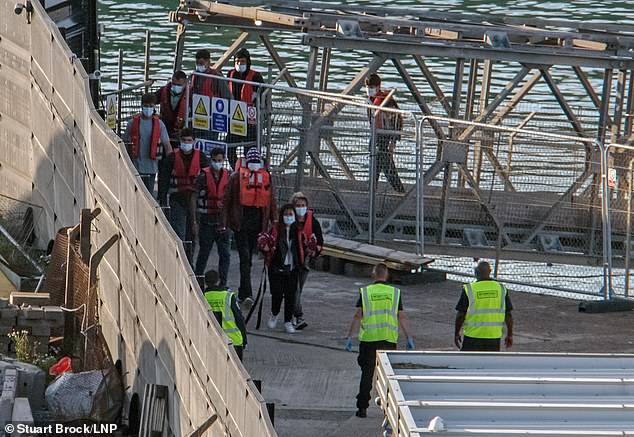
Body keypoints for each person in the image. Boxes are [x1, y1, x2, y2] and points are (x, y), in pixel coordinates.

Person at [345, 263, 414, 418]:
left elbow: (358, 315)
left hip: (369, 340)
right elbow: (401, 316)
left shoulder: (366, 292)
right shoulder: (395, 292)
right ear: (387, 275)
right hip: (388, 340)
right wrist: (409, 337)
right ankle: (388, 408)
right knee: (387, 376)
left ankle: (362, 408)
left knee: (367, 374)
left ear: (373, 275)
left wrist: (349, 336)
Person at [223, 147, 277, 306]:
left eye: (256, 162)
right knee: (244, 258)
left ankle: (243, 291)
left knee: (250, 259)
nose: (254, 165)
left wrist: (274, 222)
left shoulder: (267, 178)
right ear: (246, 162)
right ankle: (247, 293)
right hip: (240, 224)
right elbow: (227, 201)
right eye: (251, 161)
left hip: (258, 225)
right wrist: (224, 223)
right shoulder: (236, 178)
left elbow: (271, 201)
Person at [158, 128, 209, 261]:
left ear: (194, 141)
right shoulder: (172, 158)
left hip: (195, 202)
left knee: (192, 233)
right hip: (177, 199)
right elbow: (163, 180)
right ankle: (178, 259)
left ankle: (189, 259)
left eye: (189, 140)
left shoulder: (202, 158)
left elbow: (208, 180)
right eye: (184, 140)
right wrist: (162, 200)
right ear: (180, 142)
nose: (186, 143)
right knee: (179, 231)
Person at [261, 204, 304, 334]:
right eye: (286, 214)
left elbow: (302, 247)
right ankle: (274, 314)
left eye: (291, 214)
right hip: (277, 267)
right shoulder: (275, 230)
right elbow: (264, 243)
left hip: (292, 268)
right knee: (277, 294)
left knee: (291, 296)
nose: (288, 217)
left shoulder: (298, 231)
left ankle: (288, 322)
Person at [454, 260, 514, 351]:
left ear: (476, 272)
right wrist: (509, 334)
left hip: (473, 336)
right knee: (490, 363)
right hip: (494, 337)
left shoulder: (470, 289)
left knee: (468, 363)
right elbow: (508, 314)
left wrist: (456, 333)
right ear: (490, 272)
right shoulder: (501, 289)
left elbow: (460, 315)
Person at [194, 147, 231, 287]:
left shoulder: (228, 176)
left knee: (225, 254)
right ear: (211, 160)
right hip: (206, 221)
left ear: (223, 160)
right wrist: (195, 220)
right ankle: (198, 280)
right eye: (214, 160)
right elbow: (194, 196)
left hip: (223, 222)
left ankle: (223, 282)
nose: (217, 163)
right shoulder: (203, 176)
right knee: (204, 252)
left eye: (220, 160)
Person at [122, 93, 171, 196]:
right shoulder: (132, 123)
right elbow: (124, 142)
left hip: (151, 168)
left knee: (148, 195)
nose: (148, 108)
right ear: (141, 106)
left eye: (151, 106)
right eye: (146, 105)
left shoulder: (160, 125)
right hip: (135, 166)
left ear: (154, 107)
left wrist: (170, 164)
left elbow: (167, 145)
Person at [365, 73, 405, 193]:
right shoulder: (370, 101)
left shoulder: (387, 101)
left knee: (385, 164)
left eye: (372, 87)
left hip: (385, 135)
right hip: (376, 135)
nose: (369, 89)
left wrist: (395, 139)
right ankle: (372, 190)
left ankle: (398, 190)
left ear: (378, 86)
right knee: (377, 164)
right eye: (368, 87)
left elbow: (398, 119)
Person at [290, 192, 323, 330]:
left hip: (305, 260)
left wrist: (315, 250)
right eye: (298, 205)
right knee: (295, 288)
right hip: (291, 259)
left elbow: (320, 240)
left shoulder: (312, 221)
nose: (301, 208)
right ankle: (298, 316)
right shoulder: (288, 220)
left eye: (303, 205)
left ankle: (292, 313)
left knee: (298, 289)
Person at [226, 48, 264, 167]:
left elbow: (263, 97)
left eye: (242, 62)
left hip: (250, 120)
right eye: (237, 62)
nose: (239, 64)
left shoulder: (255, 77)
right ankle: (236, 169)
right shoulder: (230, 74)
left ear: (248, 62)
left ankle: (248, 170)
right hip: (234, 119)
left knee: (249, 149)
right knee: (230, 147)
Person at [203, 270, 247, 361]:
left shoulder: (202, 296)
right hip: (233, 340)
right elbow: (239, 319)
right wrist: (244, 340)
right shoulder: (228, 296)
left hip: (211, 341)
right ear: (218, 281)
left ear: (205, 282)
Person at [155, 70, 188, 138]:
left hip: (182, 129)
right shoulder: (164, 91)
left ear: (185, 83)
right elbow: (151, 99)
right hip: (165, 127)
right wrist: (153, 113)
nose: (176, 87)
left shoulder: (190, 94)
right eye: (174, 84)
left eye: (179, 85)